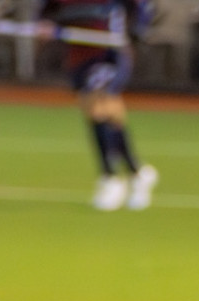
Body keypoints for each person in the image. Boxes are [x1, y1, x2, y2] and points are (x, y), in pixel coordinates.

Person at [44, 0, 158, 210]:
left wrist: (137, 31)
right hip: (79, 55)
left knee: (97, 107)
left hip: (110, 53)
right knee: (108, 113)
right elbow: (48, 12)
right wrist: (46, 26)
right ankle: (137, 172)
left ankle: (109, 177)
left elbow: (141, 7)